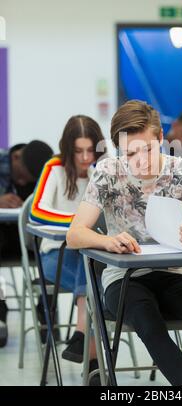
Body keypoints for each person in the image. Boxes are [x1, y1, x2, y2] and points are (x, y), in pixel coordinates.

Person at [67, 100, 182, 386]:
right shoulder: (108, 171)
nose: (140, 160)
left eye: (147, 149)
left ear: (160, 139)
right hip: (123, 281)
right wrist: (108, 241)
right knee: (147, 318)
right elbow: (75, 234)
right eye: (130, 152)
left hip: (172, 277)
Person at [30, 115, 106, 382]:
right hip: (54, 256)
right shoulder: (54, 167)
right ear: (68, 148)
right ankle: (94, 361)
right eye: (78, 151)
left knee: (91, 260)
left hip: (86, 257)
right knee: (92, 273)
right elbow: (36, 212)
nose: (86, 157)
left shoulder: (102, 173)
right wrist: (79, 225)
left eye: (90, 150)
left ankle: (82, 338)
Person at [0, 140, 53, 347]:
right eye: (20, 176)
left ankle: (47, 313)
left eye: (28, 180)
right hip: (3, 241)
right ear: (15, 157)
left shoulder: (45, 169)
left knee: (51, 250)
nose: (22, 182)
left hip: (32, 241)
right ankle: (0, 309)